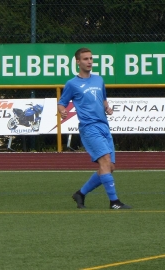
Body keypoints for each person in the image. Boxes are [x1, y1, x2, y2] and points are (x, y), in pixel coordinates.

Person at [57, 47, 131, 210]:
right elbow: (62, 103)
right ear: (78, 62)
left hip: (104, 126)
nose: (89, 61)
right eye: (85, 59)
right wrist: (63, 112)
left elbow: (103, 98)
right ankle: (114, 202)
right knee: (104, 161)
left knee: (110, 167)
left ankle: (81, 194)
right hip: (89, 127)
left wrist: (107, 108)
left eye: (91, 58)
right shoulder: (72, 84)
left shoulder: (98, 80)